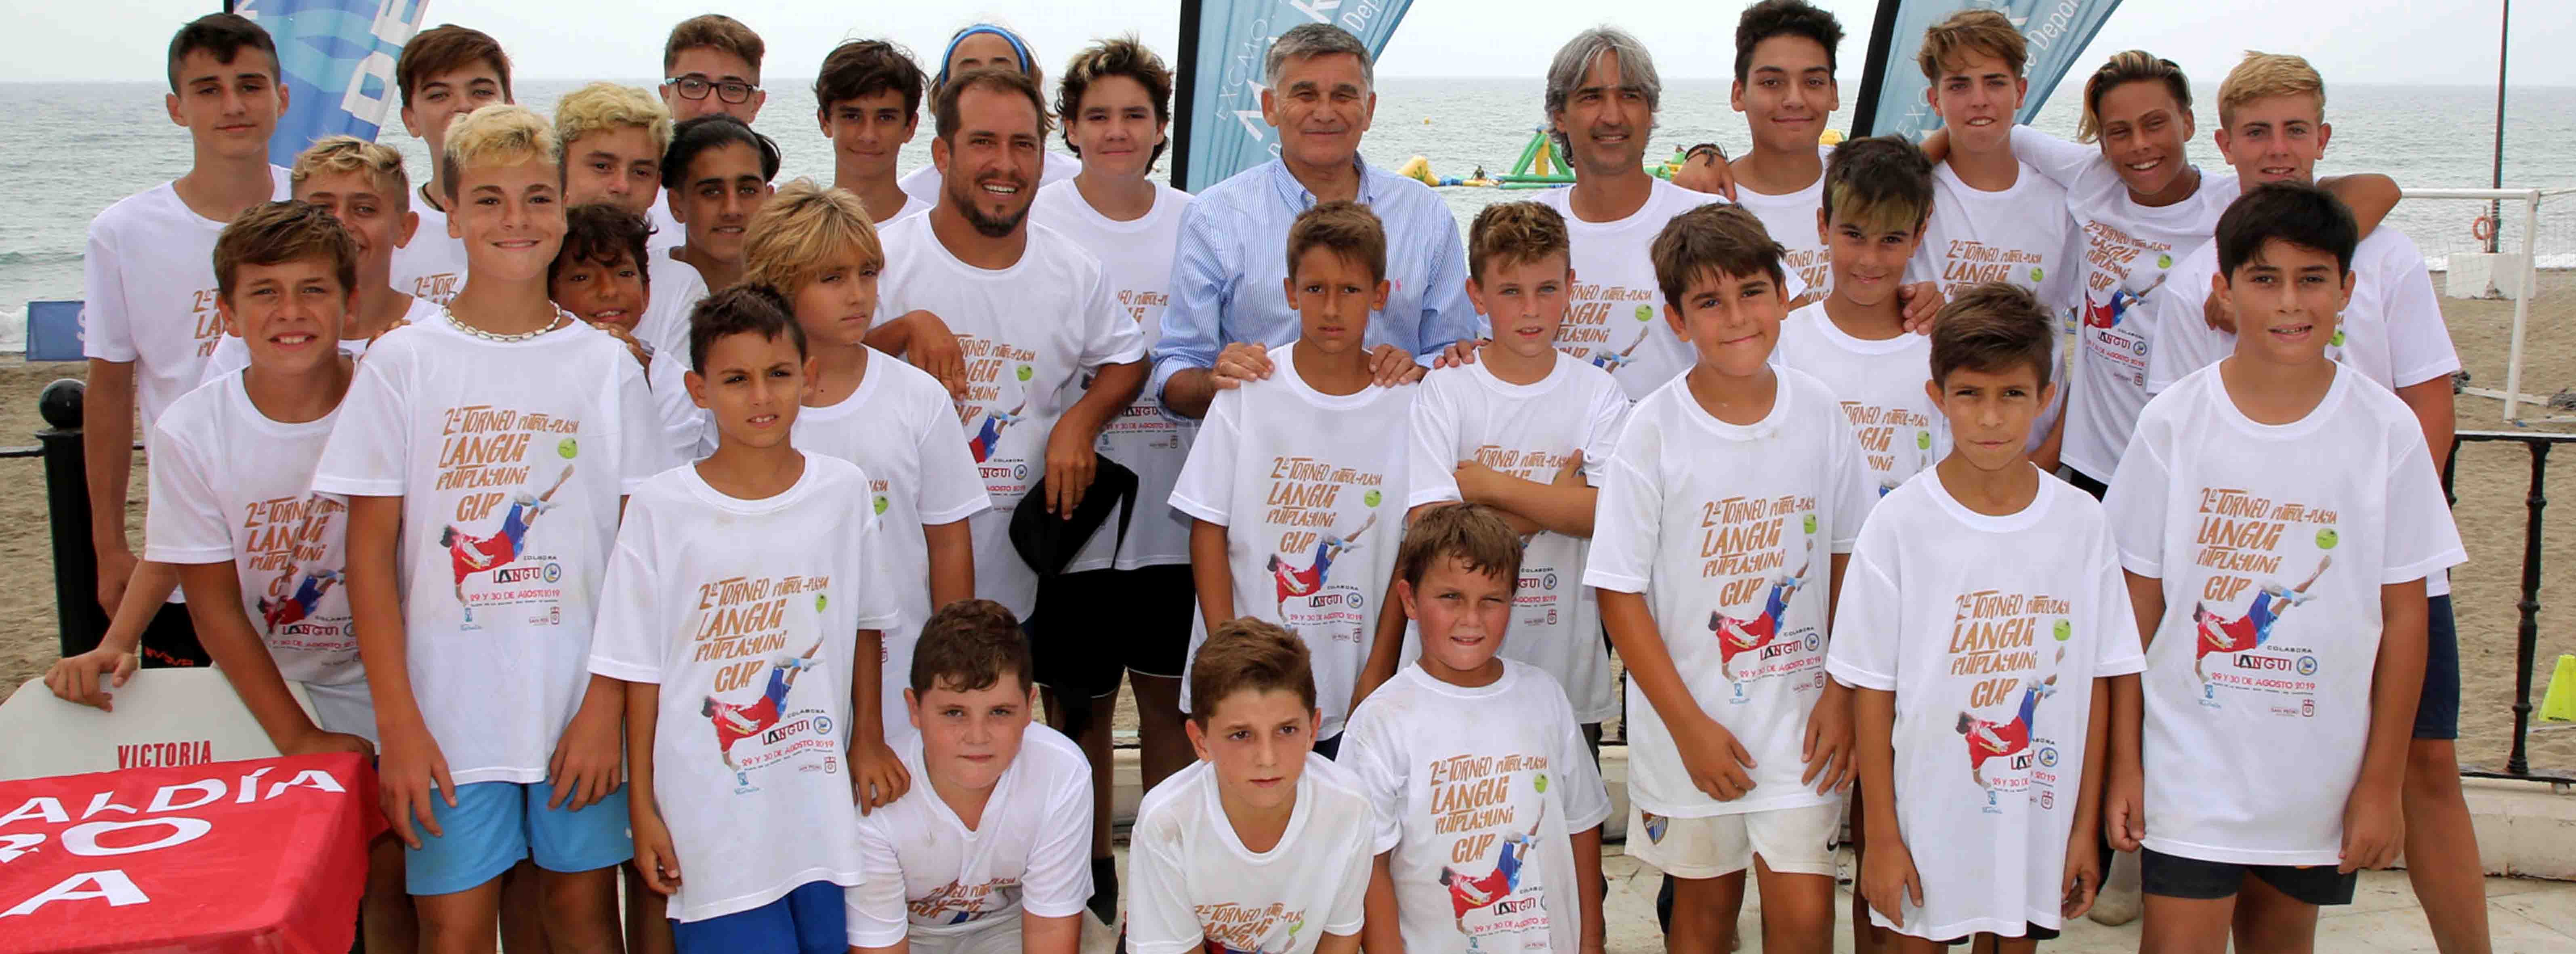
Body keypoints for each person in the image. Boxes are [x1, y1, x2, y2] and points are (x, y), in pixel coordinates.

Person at [313, 105, 672, 953]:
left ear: (563, 207)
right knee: (454, 923)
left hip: (576, 710)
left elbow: (639, 558)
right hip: (445, 717)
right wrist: (397, 724)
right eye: (490, 199)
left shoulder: (606, 367)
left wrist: (603, 707)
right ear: (450, 208)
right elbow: (366, 558)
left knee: (583, 917)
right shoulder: (404, 362)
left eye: (538, 197)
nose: (517, 220)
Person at [2139, 62, 2481, 949]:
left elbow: (2427, 397)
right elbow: (2170, 513)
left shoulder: (2386, 260)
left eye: (2296, 130)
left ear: (2323, 137)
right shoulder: (2190, 306)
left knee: (2425, 764)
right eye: (2258, 132)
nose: (2278, 148)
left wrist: (2386, 537)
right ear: (2225, 146)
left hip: (2373, 567)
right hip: (2216, 685)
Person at [52, 201, 412, 952]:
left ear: (350, 301)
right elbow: (212, 601)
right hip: (266, 685)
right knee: (278, 891)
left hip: (398, 677)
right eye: (265, 292)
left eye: (314, 290)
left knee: (389, 879)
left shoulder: (395, 394)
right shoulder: (193, 429)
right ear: (225, 312)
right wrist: (299, 735)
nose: (291, 312)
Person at [1585, 203, 1874, 954]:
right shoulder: (1649, 431)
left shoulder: (1820, 415)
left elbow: (1849, 557)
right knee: (1702, 919)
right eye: (1708, 302)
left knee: (1806, 920)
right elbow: (1617, 593)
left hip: (1800, 724)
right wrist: (1688, 727)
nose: (1735, 316)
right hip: (1687, 727)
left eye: (1751, 291)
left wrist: (1840, 696)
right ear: (1677, 320)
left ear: (1784, 295)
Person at [1827, 282, 2147, 952]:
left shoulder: (2082, 525)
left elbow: (2096, 682)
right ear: (1937, 397)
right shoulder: (1897, 525)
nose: (1992, 418)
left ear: (2045, 398)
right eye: (1969, 394)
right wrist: (1880, 838)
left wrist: (2080, 827)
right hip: (1926, 821)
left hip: (2036, 825)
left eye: (2012, 395)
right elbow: (1871, 694)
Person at [586, 285, 893, 953]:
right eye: (736, 379)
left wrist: (866, 738)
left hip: (817, 807)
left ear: (807, 378)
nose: (761, 397)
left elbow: (866, 625)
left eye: (778, 374)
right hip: (710, 817)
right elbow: (639, 671)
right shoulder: (660, 508)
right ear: (699, 390)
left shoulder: (842, 491)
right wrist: (644, 805)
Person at [861, 67, 1147, 645]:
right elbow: (811, 372)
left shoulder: (1072, 270)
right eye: (983, 143)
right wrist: (903, 330)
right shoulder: (881, 259)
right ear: (942, 153)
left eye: (1023, 145)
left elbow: (1129, 359)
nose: (1006, 165)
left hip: (1012, 580)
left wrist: (1079, 422)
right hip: (883, 587)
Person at [736, 180, 988, 816]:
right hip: (781, 671)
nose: (857, 294)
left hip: (900, 667)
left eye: (868, 272)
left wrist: (948, 669)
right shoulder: (752, 409)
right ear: (778, 284)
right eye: (830, 277)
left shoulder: (915, 397)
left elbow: (948, 538)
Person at [1024, 35, 1198, 920]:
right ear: (1071, 128)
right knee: (1079, 711)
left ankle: (1164, 878)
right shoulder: (1042, 220)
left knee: (1171, 702)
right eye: (1099, 116)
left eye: (1136, 115)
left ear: (1162, 127)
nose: (1118, 131)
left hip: (1174, 507)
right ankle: (1089, 872)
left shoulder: (1193, 219)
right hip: (1074, 509)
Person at [81, 13, 294, 673]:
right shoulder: (123, 232)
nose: (232, 105)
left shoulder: (321, 209)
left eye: (250, 85)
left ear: (281, 99)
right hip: (185, 547)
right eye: (208, 89)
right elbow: (112, 391)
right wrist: (110, 543)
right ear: (177, 109)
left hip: (311, 545)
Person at [1172, 202, 1413, 760]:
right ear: (1289, 291)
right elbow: (1206, 529)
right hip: (1247, 679)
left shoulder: (1407, 404)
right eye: (1314, 289)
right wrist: (1224, 651)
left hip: (1359, 680)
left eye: (1350, 290)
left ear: (1380, 295)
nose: (1331, 308)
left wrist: (1380, 667)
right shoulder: (1248, 391)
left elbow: (1411, 546)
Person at [1153, 23, 1478, 421]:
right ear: (1271, 107)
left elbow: (1456, 352)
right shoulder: (1215, 216)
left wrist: (1420, 372)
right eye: (1305, 94)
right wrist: (1218, 380)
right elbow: (1175, 372)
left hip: (1394, 459)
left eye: (1343, 95)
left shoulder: (1425, 213)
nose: (1325, 113)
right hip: (1265, 465)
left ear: (1369, 110)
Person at [1341, 503, 1612, 953]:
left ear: (1513, 599)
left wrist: (1591, 939)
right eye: (1451, 597)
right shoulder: (1380, 721)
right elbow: (1371, 865)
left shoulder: (1546, 697)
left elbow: (1583, 825)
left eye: (1491, 600)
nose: (1471, 619)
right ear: (1409, 599)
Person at [1404, 202, 1626, 744]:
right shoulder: (1445, 390)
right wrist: (1553, 505)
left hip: (1565, 677)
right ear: (1476, 295)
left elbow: (1607, 514)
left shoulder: (1598, 392)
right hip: (1453, 667)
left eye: (1547, 289)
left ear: (1571, 286)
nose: (1531, 310)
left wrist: (1489, 489)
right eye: (1509, 292)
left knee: (1569, 820)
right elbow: (1431, 531)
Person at [845, 600, 1094, 954]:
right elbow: (880, 946)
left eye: (1000, 712)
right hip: (913, 938)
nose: (978, 737)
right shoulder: (878, 790)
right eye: (954, 713)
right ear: (914, 709)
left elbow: (1048, 936)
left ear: (1030, 707)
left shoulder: (1061, 772)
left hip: (1013, 927)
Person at [1125, 619, 1377, 954]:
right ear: (1200, 742)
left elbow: (1339, 938)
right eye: (1241, 735)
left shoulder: (1349, 808)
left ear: (1313, 729)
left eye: (1286, 730)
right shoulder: (1168, 822)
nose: (1267, 758)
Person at [1902, 9, 2080, 471]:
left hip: (2034, 459)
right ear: (1934, 100)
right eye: (1959, 85)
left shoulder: (2065, 205)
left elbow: (2094, 347)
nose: (1979, 100)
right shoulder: (1908, 197)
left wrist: (2048, 458)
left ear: (2021, 92)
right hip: (1925, 462)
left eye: (1995, 83)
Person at [1775, 136, 1948, 497]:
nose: (1870, 260)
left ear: (1918, 236)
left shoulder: (1943, 350)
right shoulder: (1782, 343)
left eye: (1891, 240)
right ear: (1824, 226)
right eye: (1854, 235)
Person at [198, 137, 433, 383]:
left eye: (364, 209)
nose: (341, 223)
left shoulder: (433, 330)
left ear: (405, 228)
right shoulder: (255, 337)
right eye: (322, 209)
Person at [554, 82, 706, 347]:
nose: (622, 186)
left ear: (656, 185)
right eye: (602, 166)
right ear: (558, 169)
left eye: (640, 172)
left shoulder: (678, 285)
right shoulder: (522, 271)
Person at [387, 23, 513, 305]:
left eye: (481, 92)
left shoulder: (548, 223)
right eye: (439, 95)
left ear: (510, 105)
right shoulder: (388, 230)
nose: (463, 106)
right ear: (411, 120)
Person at [895, 23, 1082, 210]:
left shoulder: (1074, 181)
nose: (986, 84)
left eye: (1002, 73)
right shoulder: (912, 195)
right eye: (969, 75)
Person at [658, 113, 780, 358]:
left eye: (747, 190)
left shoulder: (795, 293)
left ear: (769, 198)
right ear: (677, 205)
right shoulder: (643, 287)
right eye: (711, 192)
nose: (732, 209)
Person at [650, 14, 767, 246]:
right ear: (666, 97)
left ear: (756, 104)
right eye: (694, 86)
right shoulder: (635, 203)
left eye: (732, 88)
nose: (713, 107)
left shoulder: (778, 215)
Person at [814, 39, 932, 224]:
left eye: (885, 118)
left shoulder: (938, 234)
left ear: (910, 127)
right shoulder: (791, 234)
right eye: (852, 117)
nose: (868, 136)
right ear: (825, 122)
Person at [550, 203, 656, 365]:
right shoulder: (536, 366)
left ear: (645, 293)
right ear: (548, 295)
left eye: (624, 274)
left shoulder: (668, 376)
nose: (609, 291)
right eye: (582, 278)